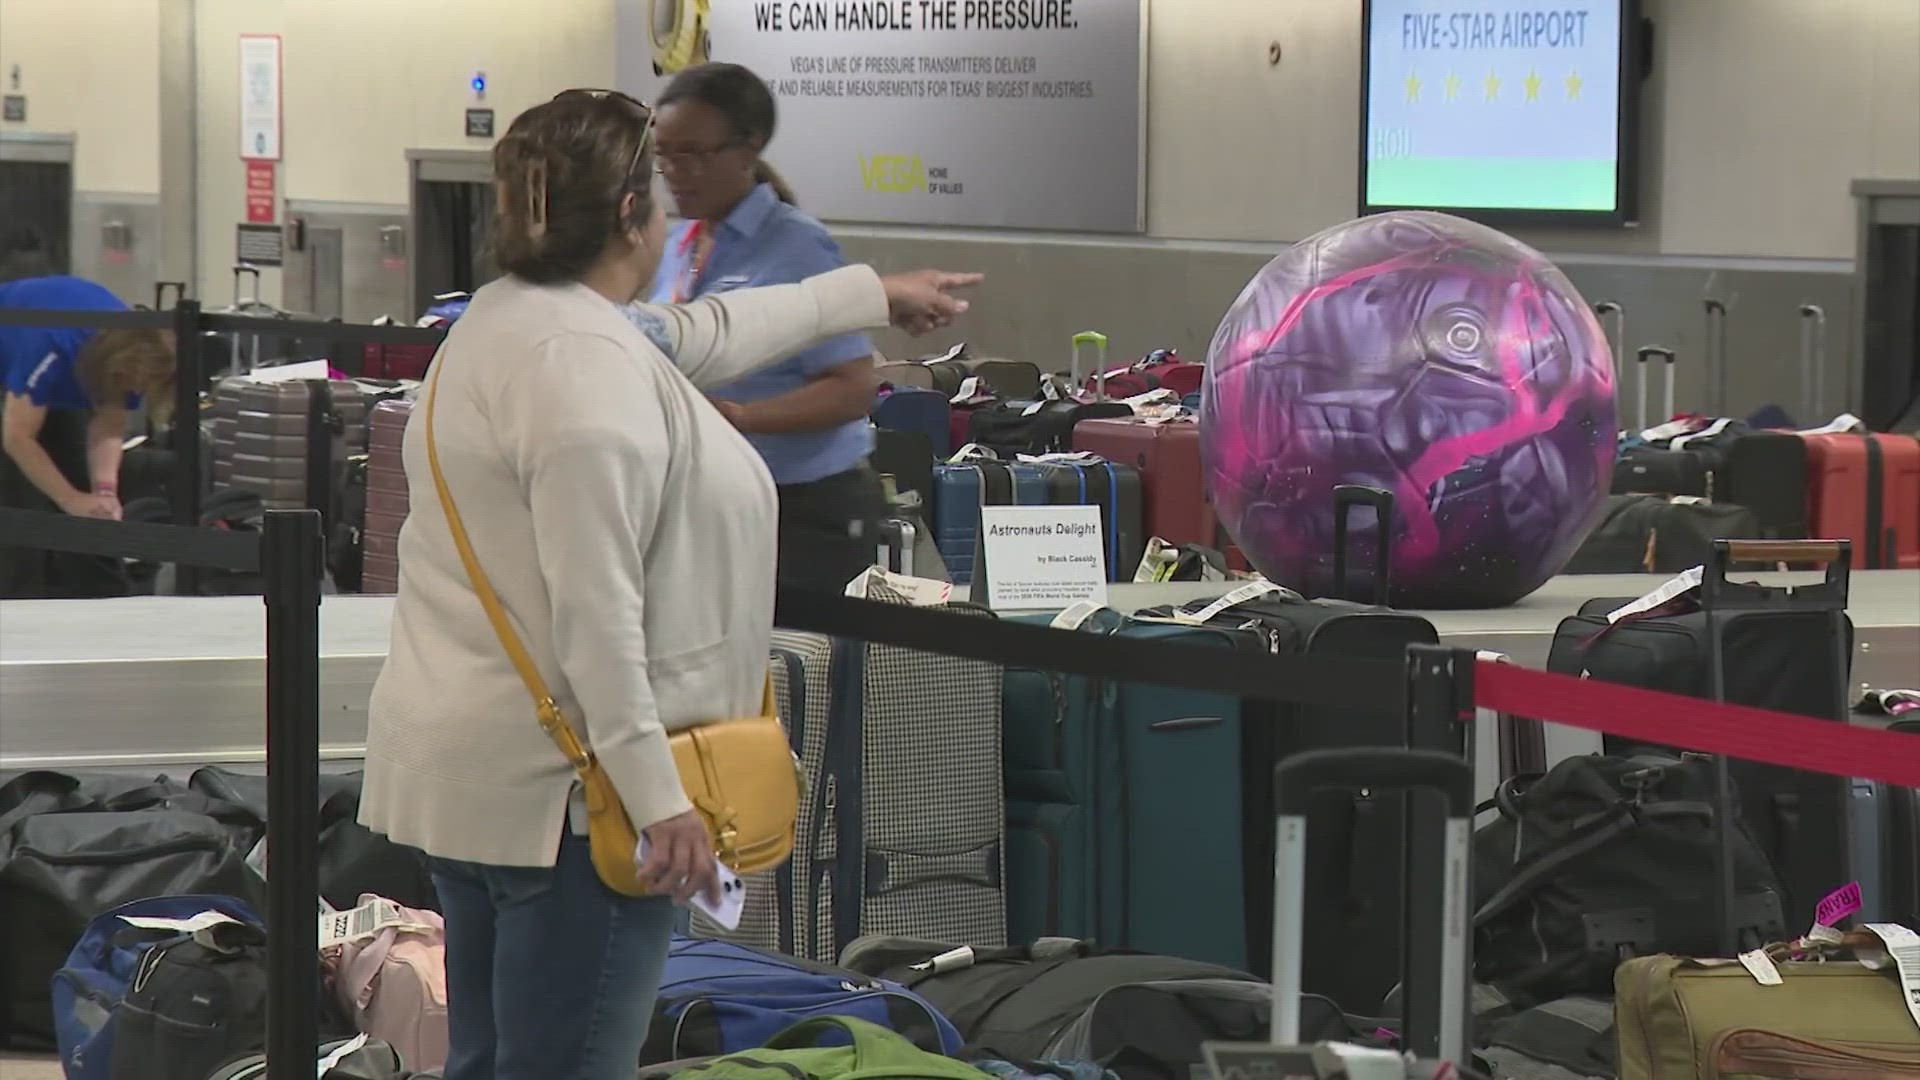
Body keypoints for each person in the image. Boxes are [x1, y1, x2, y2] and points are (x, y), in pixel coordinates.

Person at [357, 88, 978, 1080]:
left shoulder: (510, 325)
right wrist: (659, 802)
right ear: (630, 217)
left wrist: (870, 293)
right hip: (568, 803)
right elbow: (597, 614)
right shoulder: (587, 381)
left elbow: (710, 331)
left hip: (475, 784)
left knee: (486, 1062)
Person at [648, 63, 890, 591]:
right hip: (709, 499)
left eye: (694, 154)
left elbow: (853, 390)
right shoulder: (675, 241)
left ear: (748, 147)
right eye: (663, 154)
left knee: (785, 666)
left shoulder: (796, 245)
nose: (674, 170)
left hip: (803, 505)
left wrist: (740, 416)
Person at [0, 275, 174, 598]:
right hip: (20, 349)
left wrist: (104, 492)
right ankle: (15, 600)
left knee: (84, 500)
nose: (135, 392)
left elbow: (109, 426)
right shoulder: (52, 344)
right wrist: (70, 499)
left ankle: (105, 597)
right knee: (23, 489)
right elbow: (16, 437)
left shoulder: (135, 352)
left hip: (67, 367)